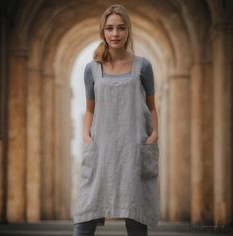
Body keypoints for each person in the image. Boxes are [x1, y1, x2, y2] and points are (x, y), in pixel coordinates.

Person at [73, 4, 159, 236]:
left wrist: (154, 135)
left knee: (135, 216)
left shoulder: (143, 66)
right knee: (85, 214)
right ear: (103, 31)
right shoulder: (92, 69)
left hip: (133, 147)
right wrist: (86, 136)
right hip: (101, 148)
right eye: (110, 28)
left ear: (128, 31)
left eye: (121, 28)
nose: (115, 34)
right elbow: (90, 109)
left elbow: (151, 106)